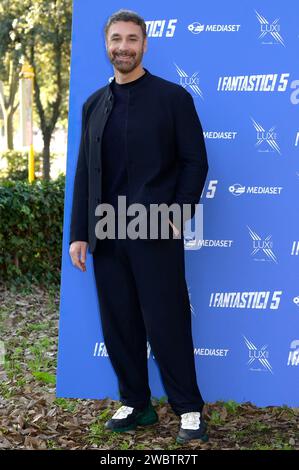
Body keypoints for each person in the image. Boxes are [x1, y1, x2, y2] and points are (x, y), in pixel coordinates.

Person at [69, 9, 209, 445]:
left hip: (155, 228)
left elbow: (195, 162)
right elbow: (85, 173)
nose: (123, 47)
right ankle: (137, 402)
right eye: (116, 39)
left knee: (167, 321)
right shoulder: (94, 103)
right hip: (107, 231)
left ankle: (189, 409)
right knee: (119, 322)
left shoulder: (173, 98)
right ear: (106, 44)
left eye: (132, 39)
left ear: (145, 45)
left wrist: (178, 212)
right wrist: (78, 232)